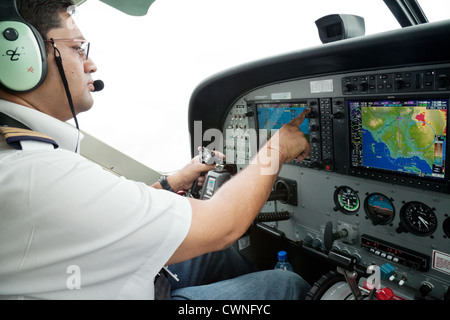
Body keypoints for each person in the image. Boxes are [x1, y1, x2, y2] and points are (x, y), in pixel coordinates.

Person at [0, 0, 311, 300]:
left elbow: (103, 211)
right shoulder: (39, 172)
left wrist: (172, 181)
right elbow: (223, 225)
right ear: (20, 57)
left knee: (215, 258)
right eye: (77, 48)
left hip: (88, 276)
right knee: (285, 284)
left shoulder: (22, 157)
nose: (90, 64)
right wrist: (277, 149)